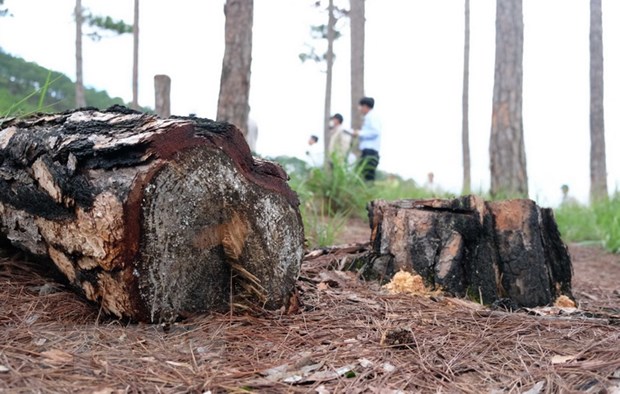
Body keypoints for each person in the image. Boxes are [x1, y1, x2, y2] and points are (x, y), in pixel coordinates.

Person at [354, 97, 382, 181]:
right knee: (364, 174)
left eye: (361, 107)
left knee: (368, 176)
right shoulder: (369, 117)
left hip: (370, 150)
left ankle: (369, 193)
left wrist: (359, 133)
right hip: (368, 150)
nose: (360, 109)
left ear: (365, 106)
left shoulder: (372, 117)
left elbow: (375, 132)